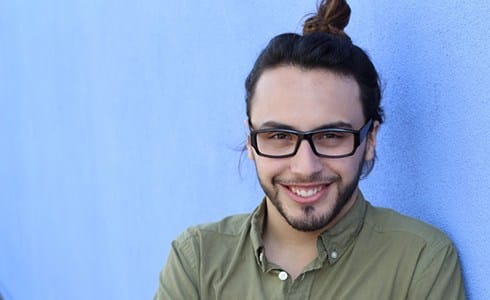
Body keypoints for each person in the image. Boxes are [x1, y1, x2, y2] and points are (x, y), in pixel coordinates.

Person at [154, 0, 466, 299]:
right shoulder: (197, 260)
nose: (305, 167)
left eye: (331, 135)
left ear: (369, 140)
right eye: (279, 136)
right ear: (251, 140)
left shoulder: (420, 261)